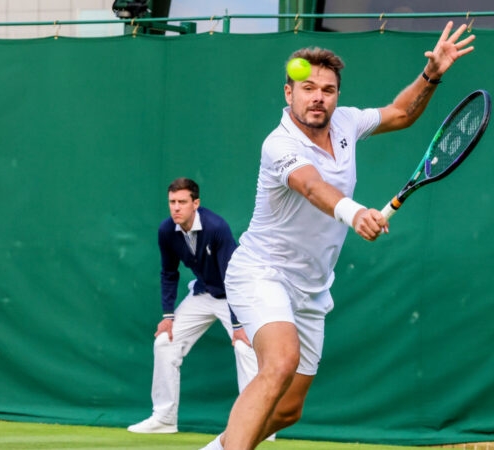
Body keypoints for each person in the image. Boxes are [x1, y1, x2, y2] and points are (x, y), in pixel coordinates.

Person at [201, 21, 475, 450]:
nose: (318, 97)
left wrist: (432, 74)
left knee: (288, 410)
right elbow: (311, 186)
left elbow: (401, 113)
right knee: (280, 361)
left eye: (327, 90)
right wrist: (354, 212)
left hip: (312, 289)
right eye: (307, 88)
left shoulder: (346, 123)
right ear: (288, 93)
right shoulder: (279, 144)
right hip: (262, 272)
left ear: (337, 96)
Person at [127, 177, 264, 435]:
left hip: (235, 293)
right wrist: (168, 316)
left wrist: (238, 324)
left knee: (245, 347)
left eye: (182, 202)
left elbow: (231, 276)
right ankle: (164, 418)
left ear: (196, 203)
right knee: (164, 342)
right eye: (172, 202)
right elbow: (169, 273)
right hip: (203, 294)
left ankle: (256, 426)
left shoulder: (216, 227)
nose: (176, 208)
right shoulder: (167, 231)